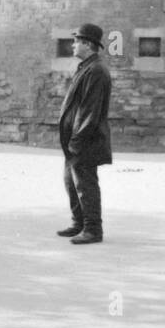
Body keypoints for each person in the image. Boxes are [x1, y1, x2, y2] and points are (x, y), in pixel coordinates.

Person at [56, 23, 113, 245]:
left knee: (85, 183)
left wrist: (77, 141)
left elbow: (90, 111)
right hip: (76, 139)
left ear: (87, 45)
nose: (73, 45)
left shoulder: (96, 70)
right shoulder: (87, 67)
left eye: (77, 41)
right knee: (71, 181)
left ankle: (93, 229)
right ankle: (79, 223)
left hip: (85, 140)